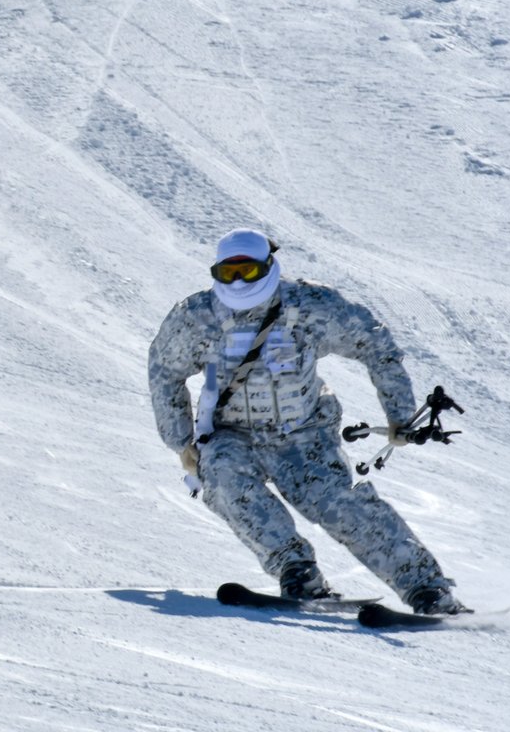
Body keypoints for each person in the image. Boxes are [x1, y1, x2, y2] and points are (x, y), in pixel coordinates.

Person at [147, 228, 466, 615]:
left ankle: (426, 588)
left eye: (247, 271)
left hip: (303, 431)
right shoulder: (197, 318)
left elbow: (375, 344)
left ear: (267, 266)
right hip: (232, 433)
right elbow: (164, 371)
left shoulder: (309, 306)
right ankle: (297, 572)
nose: (237, 282)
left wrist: (399, 414)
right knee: (224, 479)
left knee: (335, 502)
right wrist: (182, 441)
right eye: (227, 273)